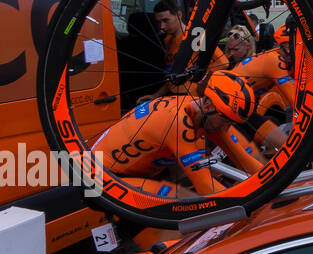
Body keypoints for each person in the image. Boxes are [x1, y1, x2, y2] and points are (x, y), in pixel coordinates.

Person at [91, 71, 263, 197]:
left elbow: (243, 159)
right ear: (209, 106)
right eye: (226, 122)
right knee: (183, 197)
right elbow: (206, 187)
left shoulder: (204, 112)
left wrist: (277, 185)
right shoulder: (179, 121)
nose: (226, 129)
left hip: (133, 173)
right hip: (100, 177)